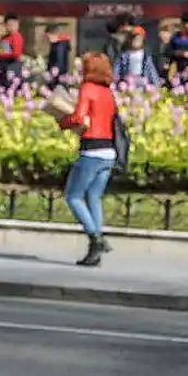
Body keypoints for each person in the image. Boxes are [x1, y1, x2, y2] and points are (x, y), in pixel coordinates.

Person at [58, 52, 118, 267]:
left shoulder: (88, 88)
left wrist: (63, 122)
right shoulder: (108, 92)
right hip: (109, 150)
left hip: (91, 149)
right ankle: (95, 253)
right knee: (94, 197)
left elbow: (79, 117)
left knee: (73, 196)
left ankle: (96, 239)